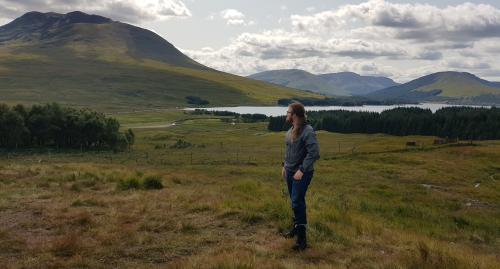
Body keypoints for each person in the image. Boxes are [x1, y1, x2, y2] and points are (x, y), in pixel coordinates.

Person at [281, 102, 320, 251]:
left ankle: (302, 241)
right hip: (290, 171)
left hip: (302, 173)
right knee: (294, 201)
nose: (286, 114)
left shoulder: (307, 131)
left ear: (295, 115)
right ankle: (297, 228)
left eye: (288, 112)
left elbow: (314, 153)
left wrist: (302, 170)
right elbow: (289, 150)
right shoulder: (291, 130)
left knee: (297, 201)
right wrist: (284, 165)